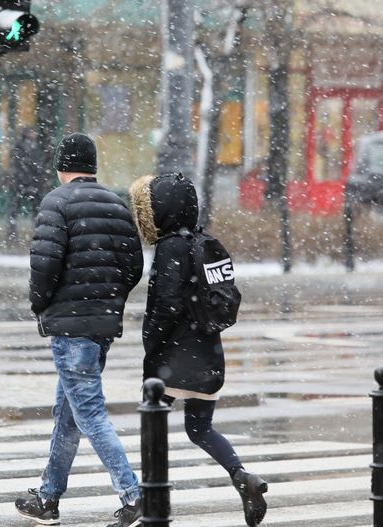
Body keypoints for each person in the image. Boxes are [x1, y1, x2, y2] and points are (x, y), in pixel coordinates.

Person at [14, 133, 145, 527]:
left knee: (88, 411)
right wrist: (109, 300)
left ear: (61, 165)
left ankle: (134, 495)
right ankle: (48, 498)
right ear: (92, 166)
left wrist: (42, 304)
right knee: (68, 412)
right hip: (102, 324)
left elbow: (45, 264)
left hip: (71, 327)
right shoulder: (116, 203)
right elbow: (133, 266)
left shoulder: (56, 202)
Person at [128, 173, 269, 527]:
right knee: (199, 429)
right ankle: (242, 477)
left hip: (175, 357)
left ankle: (147, 501)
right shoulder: (205, 241)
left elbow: (167, 306)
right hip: (208, 354)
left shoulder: (172, 247)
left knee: (152, 427)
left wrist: (151, 346)